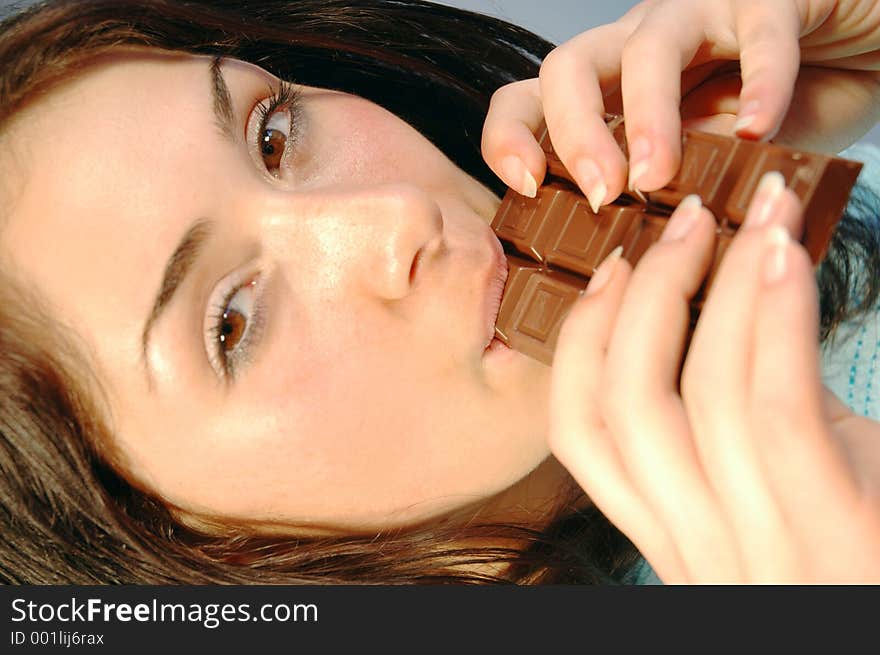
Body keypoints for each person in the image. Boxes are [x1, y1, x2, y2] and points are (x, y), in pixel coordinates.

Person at [0, 0, 877, 585]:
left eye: (275, 136)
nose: (396, 218)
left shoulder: (809, 249)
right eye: (233, 321)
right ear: (167, 543)